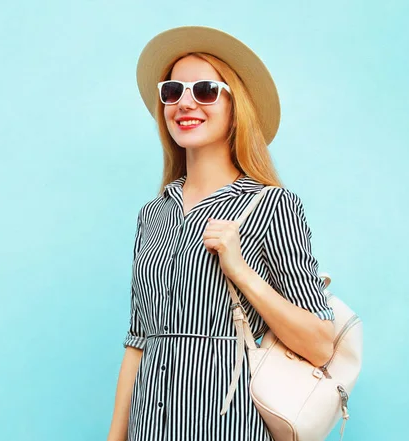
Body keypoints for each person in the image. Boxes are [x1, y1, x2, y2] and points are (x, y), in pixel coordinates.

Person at [107, 26, 335, 441]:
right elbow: (137, 341)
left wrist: (240, 270)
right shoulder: (153, 214)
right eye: (173, 91)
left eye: (206, 90)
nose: (185, 103)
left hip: (229, 428)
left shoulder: (270, 205)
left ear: (236, 106)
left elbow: (321, 344)